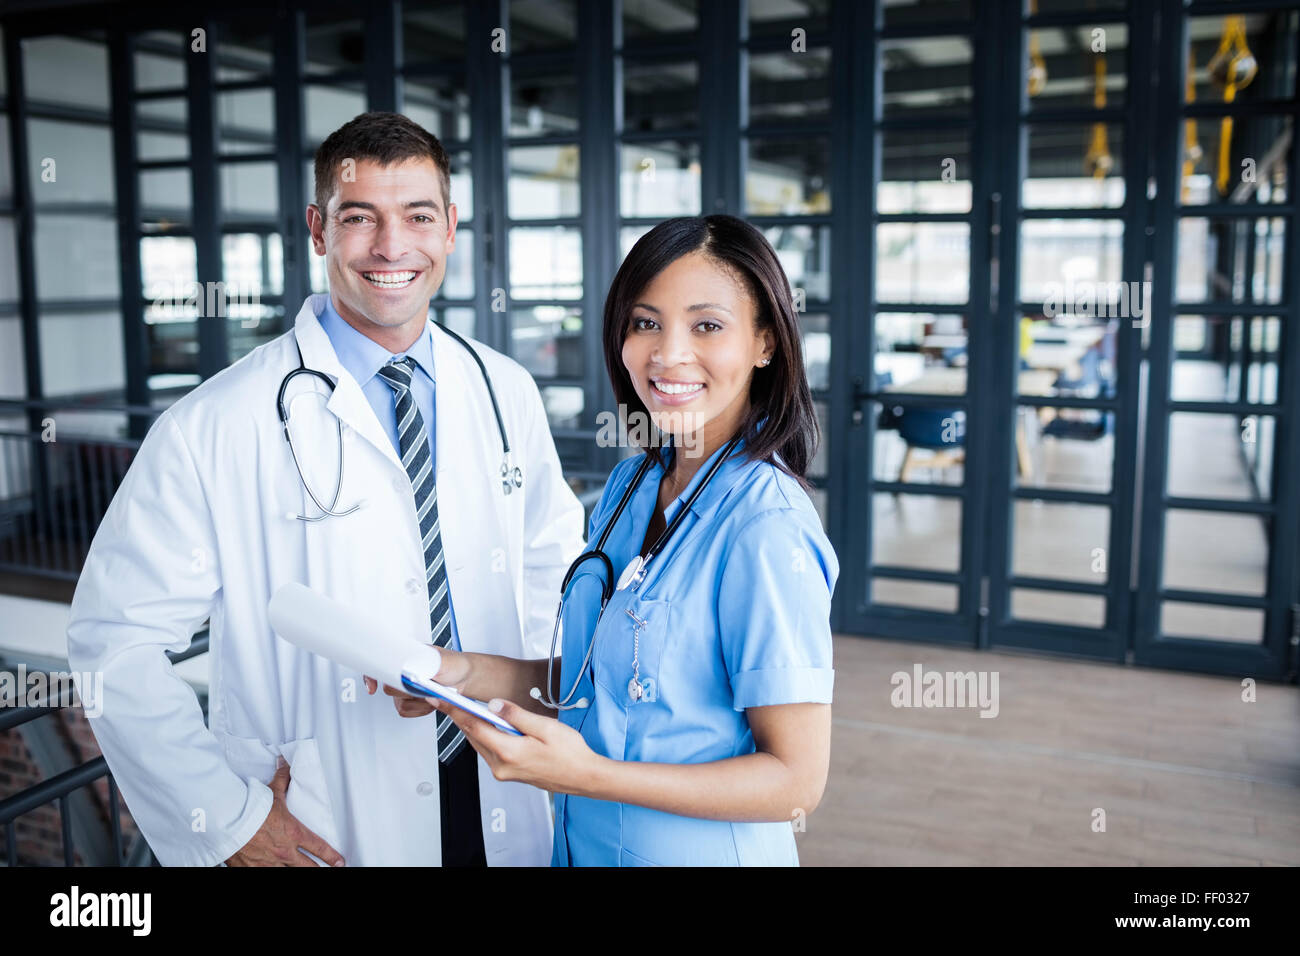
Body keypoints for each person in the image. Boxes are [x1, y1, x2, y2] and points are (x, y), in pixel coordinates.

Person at [65, 112, 585, 866]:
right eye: (359, 218)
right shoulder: (213, 422)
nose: (391, 247)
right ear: (317, 229)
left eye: (416, 216)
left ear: (449, 228)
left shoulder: (503, 388)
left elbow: (552, 569)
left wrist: (544, 711)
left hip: (506, 781)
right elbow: (114, 642)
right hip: (321, 811)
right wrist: (227, 819)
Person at [380, 214, 838, 865]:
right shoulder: (632, 487)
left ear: (765, 342)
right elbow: (606, 687)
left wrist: (584, 775)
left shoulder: (766, 527)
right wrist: (458, 672)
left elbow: (796, 782)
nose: (667, 353)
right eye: (645, 322)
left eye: (707, 325)